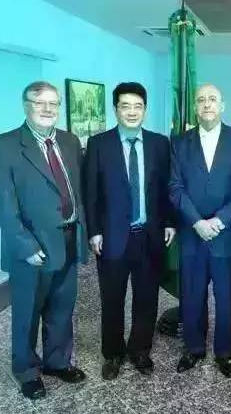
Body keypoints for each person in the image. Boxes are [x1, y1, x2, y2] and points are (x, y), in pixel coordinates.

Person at [0, 81, 88, 400]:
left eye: (53, 103)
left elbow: (77, 189)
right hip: (32, 247)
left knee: (62, 308)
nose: (47, 109)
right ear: (25, 105)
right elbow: (1, 202)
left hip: (69, 239)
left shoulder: (70, 141)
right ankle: (27, 371)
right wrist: (26, 245)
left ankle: (57, 361)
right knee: (27, 312)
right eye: (39, 102)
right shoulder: (3, 146)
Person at [84, 82, 175, 380]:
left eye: (138, 106)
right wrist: (94, 231)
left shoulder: (160, 144)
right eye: (125, 106)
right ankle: (113, 353)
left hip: (149, 235)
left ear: (145, 109)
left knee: (147, 298)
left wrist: (170, 221)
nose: (132, 112)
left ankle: (140, 350)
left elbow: (167, 187)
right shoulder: (99, 144)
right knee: (112, 299)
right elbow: (91, 192)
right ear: (116, 109)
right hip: (112, 237)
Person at [170, 83, 231, 378]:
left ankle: (224, 351)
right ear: (195, 107)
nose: (207, 104)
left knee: (227, 295)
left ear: (222, 105)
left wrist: (219, 221)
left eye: (212, 99)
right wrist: (196, 221)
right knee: (192, 295)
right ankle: (193, 348)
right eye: (201, 100)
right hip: (191, 233)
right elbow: (175, 186)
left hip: (226, 234)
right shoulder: (180, 142)